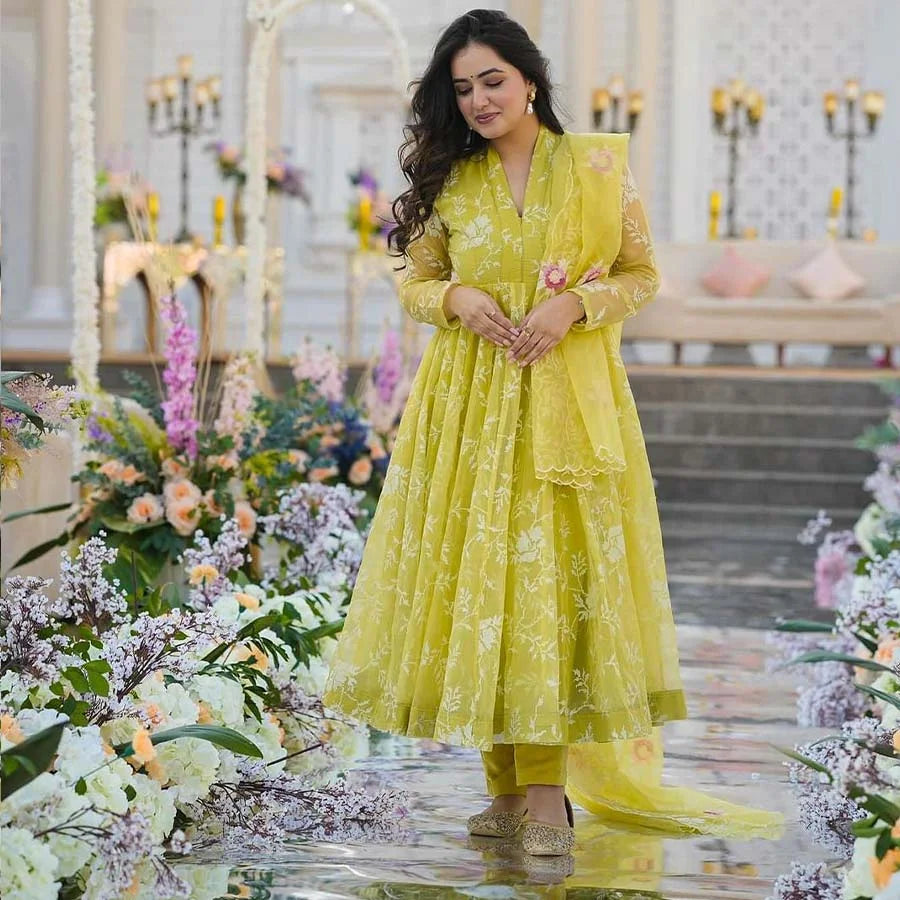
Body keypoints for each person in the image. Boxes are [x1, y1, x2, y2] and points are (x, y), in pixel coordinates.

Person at [323, 9, 782, 858]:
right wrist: (454, 298)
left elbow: (642, 273)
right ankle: (504, 790)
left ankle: (546, 797)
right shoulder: (452, 177)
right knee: (483, 584)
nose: (479, 99)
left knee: (546, 588)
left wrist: (575, 304)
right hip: (468, 408)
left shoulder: (597, 167)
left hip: (568, 403)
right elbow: (415, 283)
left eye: (492, 80)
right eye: (463, 88)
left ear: (530, 79)